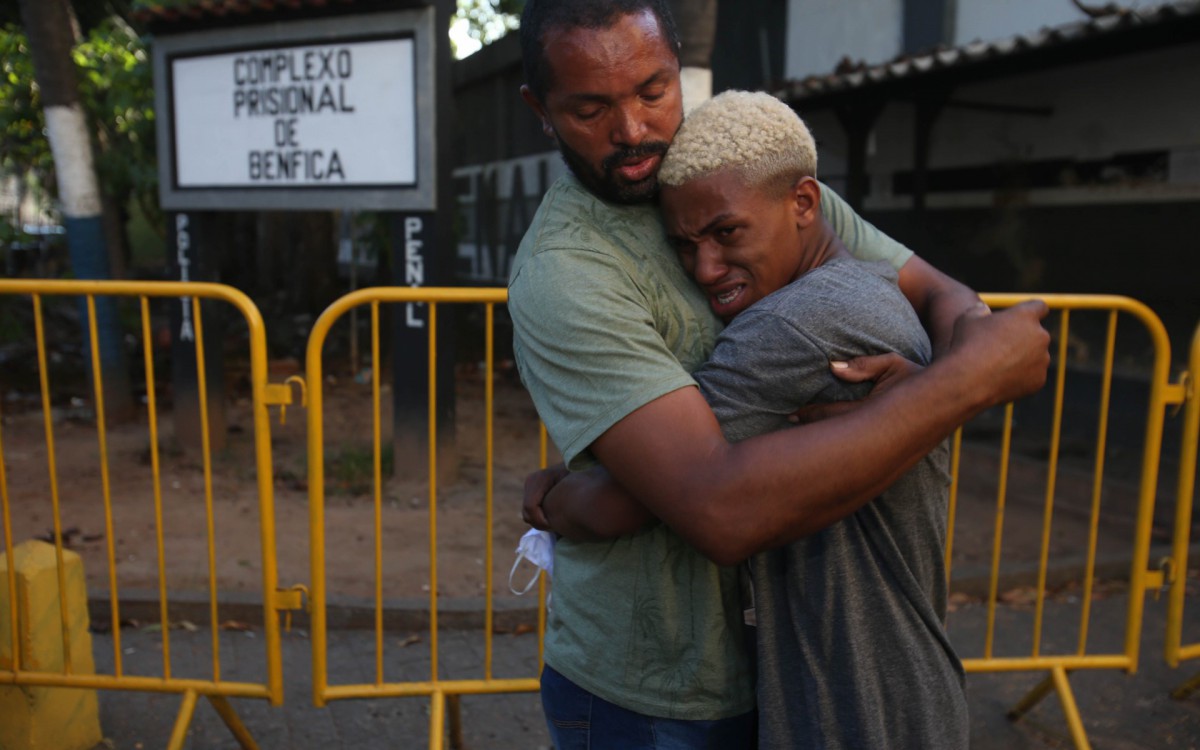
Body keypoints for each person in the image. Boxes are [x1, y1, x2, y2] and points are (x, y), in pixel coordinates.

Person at [508, 0, 1049, 746]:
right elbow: (716, 506)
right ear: (541, 108)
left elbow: (945, 295)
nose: (633, 130)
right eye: (592, 107)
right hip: (658, 693)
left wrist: (949, 372)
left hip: (793, 664)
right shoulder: (566, 272)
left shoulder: (730, 174)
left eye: (653, 91)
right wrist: (960, 386)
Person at [539, 89, 969, 748]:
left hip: (856, 706)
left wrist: (552, 497)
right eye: (684, 245)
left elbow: (649, 497)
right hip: (910, 687)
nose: (706, 268)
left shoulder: (788, 327)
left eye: (726, 233)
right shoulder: (869, 289)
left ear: (804, 203)